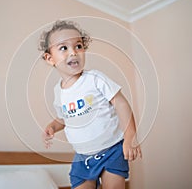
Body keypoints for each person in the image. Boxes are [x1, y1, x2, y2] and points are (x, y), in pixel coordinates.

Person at [39, 20, 142, 189]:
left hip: (112, 150)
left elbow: (122, 105)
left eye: (78, 46)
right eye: (64, 48)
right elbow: (64, 118)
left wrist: (130, 137)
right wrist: (52, 126)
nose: (73, 52)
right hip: (82, 158)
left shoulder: (95, 79)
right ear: (50, 58)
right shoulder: (58, 91)